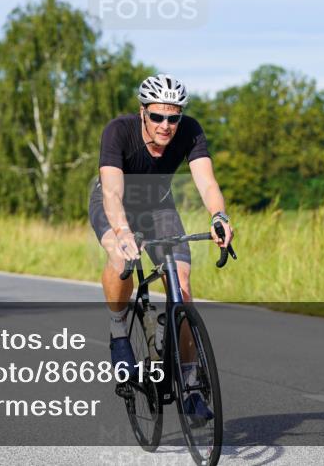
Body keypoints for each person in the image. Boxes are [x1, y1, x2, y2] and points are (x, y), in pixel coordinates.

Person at [89, 74, 235, 423]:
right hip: (115, 203)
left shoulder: (190, 130)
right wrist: (123, 232)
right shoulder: (118, 131)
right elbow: (111, 192)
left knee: (181, 290)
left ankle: (190, 385)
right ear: (143, 113)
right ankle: (118, 331)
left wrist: (219, 216)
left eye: (173, 117)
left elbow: (206, 181)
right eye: (157, 117)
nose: (166, 125)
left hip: (159, 207)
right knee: (119, 253)